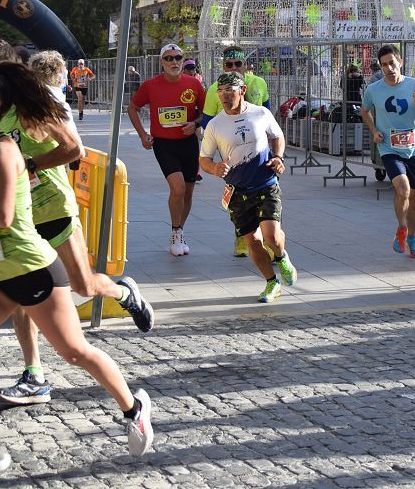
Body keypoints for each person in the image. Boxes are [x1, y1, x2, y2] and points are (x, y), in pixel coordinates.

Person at [0, 63, 154, 483]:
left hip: (32, 269)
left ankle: (133, 409)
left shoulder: (1, 150)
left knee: (75, 352)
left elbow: (4, 216)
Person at [0, 46, 154, 407]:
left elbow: (74, 149)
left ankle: (124, 293)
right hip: (21, 219)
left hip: (54, 208)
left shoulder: (35, 105)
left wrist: (29, 165)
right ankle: (34, 376)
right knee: (23, 298)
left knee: (84, 285)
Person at [199, 71, 297, 302]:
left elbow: (277, 136)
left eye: (229, 91)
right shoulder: (215, 125)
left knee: (271, 237)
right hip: (237, 191)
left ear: (242, 91)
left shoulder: (260, 113)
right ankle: (272, 283)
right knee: (252, 241)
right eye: (220, 91)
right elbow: (204, 159)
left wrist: (279, 157)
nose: (223, 96)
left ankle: (282, 257)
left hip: (265, 184)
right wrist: (214, 169)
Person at [127, 43, 205, 257]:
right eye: (169, 58)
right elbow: (132, 108)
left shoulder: (194, 85)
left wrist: (196, 123)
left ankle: (180, 230)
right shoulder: (150, 86)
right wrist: (143, 134)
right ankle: (175, 232)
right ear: (162, 62)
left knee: (189, 191)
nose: (174, 62)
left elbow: (205, 113)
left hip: (188, 143)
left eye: (178, 58)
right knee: (178, 188)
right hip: (163, 144)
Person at [361, 44, 415, 259]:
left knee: (414, 197)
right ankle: (401, 228)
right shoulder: (374, 90)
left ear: (400, 62)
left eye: (392, 63)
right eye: (384, 65)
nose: (389, 68)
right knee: (402, 189)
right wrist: (374, 130)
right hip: (388, 147)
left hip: (414, 148)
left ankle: (411, 237)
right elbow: (364, 111)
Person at [202, 46, 271, 258]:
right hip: (233, 153)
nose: (234, 68)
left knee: (268, 197)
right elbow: (206, 122)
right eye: (229, 65)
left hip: (260, 153)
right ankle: (242, 238)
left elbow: (268, 112)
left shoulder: (259, 83)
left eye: (238, 64)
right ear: (224, 66)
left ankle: (269, 242)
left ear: (245, 65)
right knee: (241, 198)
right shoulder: (216, 88)